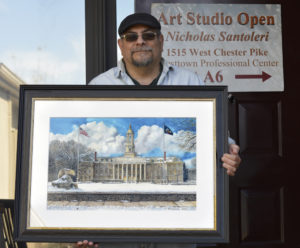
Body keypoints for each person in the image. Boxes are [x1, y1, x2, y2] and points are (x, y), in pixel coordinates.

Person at [76, 13, 241, 248]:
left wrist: (228, 150)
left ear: (160, 41)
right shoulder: (99, 86)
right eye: (131, 37)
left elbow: (214, 132)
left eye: (148, 35)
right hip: (117, 235)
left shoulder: (189, 81)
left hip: (178, 232)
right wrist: (78, 227)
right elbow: (88, 140)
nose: (140, 41)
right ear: (121, 45)